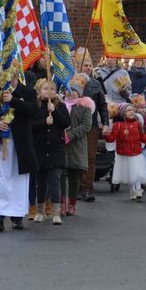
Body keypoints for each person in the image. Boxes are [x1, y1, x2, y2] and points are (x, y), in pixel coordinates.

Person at [0, 63, 38, 232]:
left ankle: (17, 216)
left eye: (5, 75)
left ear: (14, 75)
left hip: (20, 147)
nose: (2, 78)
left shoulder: (28, 92)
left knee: (17, 181)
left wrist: (13, 101)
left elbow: (32, 110)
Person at [32, 78, 70, 225]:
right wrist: (43, 122)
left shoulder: (60, 106)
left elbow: (66, 123)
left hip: (56, 149)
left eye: (52, 89)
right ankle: (40, 211)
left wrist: (55, 113)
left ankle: (56, 212)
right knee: (40, 182)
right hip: (40, 149)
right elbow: (31, 126)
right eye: (46, 89)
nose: (49, 92)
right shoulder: (36, 106)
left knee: (55, 180)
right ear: (40, 91)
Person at [76, 48, 109, 202]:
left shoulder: (96, 84)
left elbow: (103, 105)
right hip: (74, 125)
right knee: (75, 156)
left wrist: (106, 123)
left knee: (90, 156)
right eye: (85, 65)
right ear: (78, 66)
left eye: (90, 65)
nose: (88, 68)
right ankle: (74, 188)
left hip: (92, 125)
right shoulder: (72, 82)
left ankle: (87, 188)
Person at [103, 103, 146, 201]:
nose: (131, 112)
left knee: (138, 172)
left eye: (132, 110)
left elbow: (142, 136)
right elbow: (111, 138)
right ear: (123, 113)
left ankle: (138, 190)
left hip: (137, 153)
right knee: (131, 174)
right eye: (128, 110)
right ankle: (133, 190)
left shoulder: (137, 123)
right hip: (125, 154)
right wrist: (106, 134)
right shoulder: (118, 125)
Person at [61, 74, 93, 216]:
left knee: (74, 176)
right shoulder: (59, 105)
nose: (71, 92)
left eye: (74, 90)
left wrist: (71, 135)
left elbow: (86, 126)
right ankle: (61, 204)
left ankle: (72, 204)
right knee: (61, 174)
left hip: (76, 145)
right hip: (60, 145)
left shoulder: (84, 106)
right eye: (68, 89)